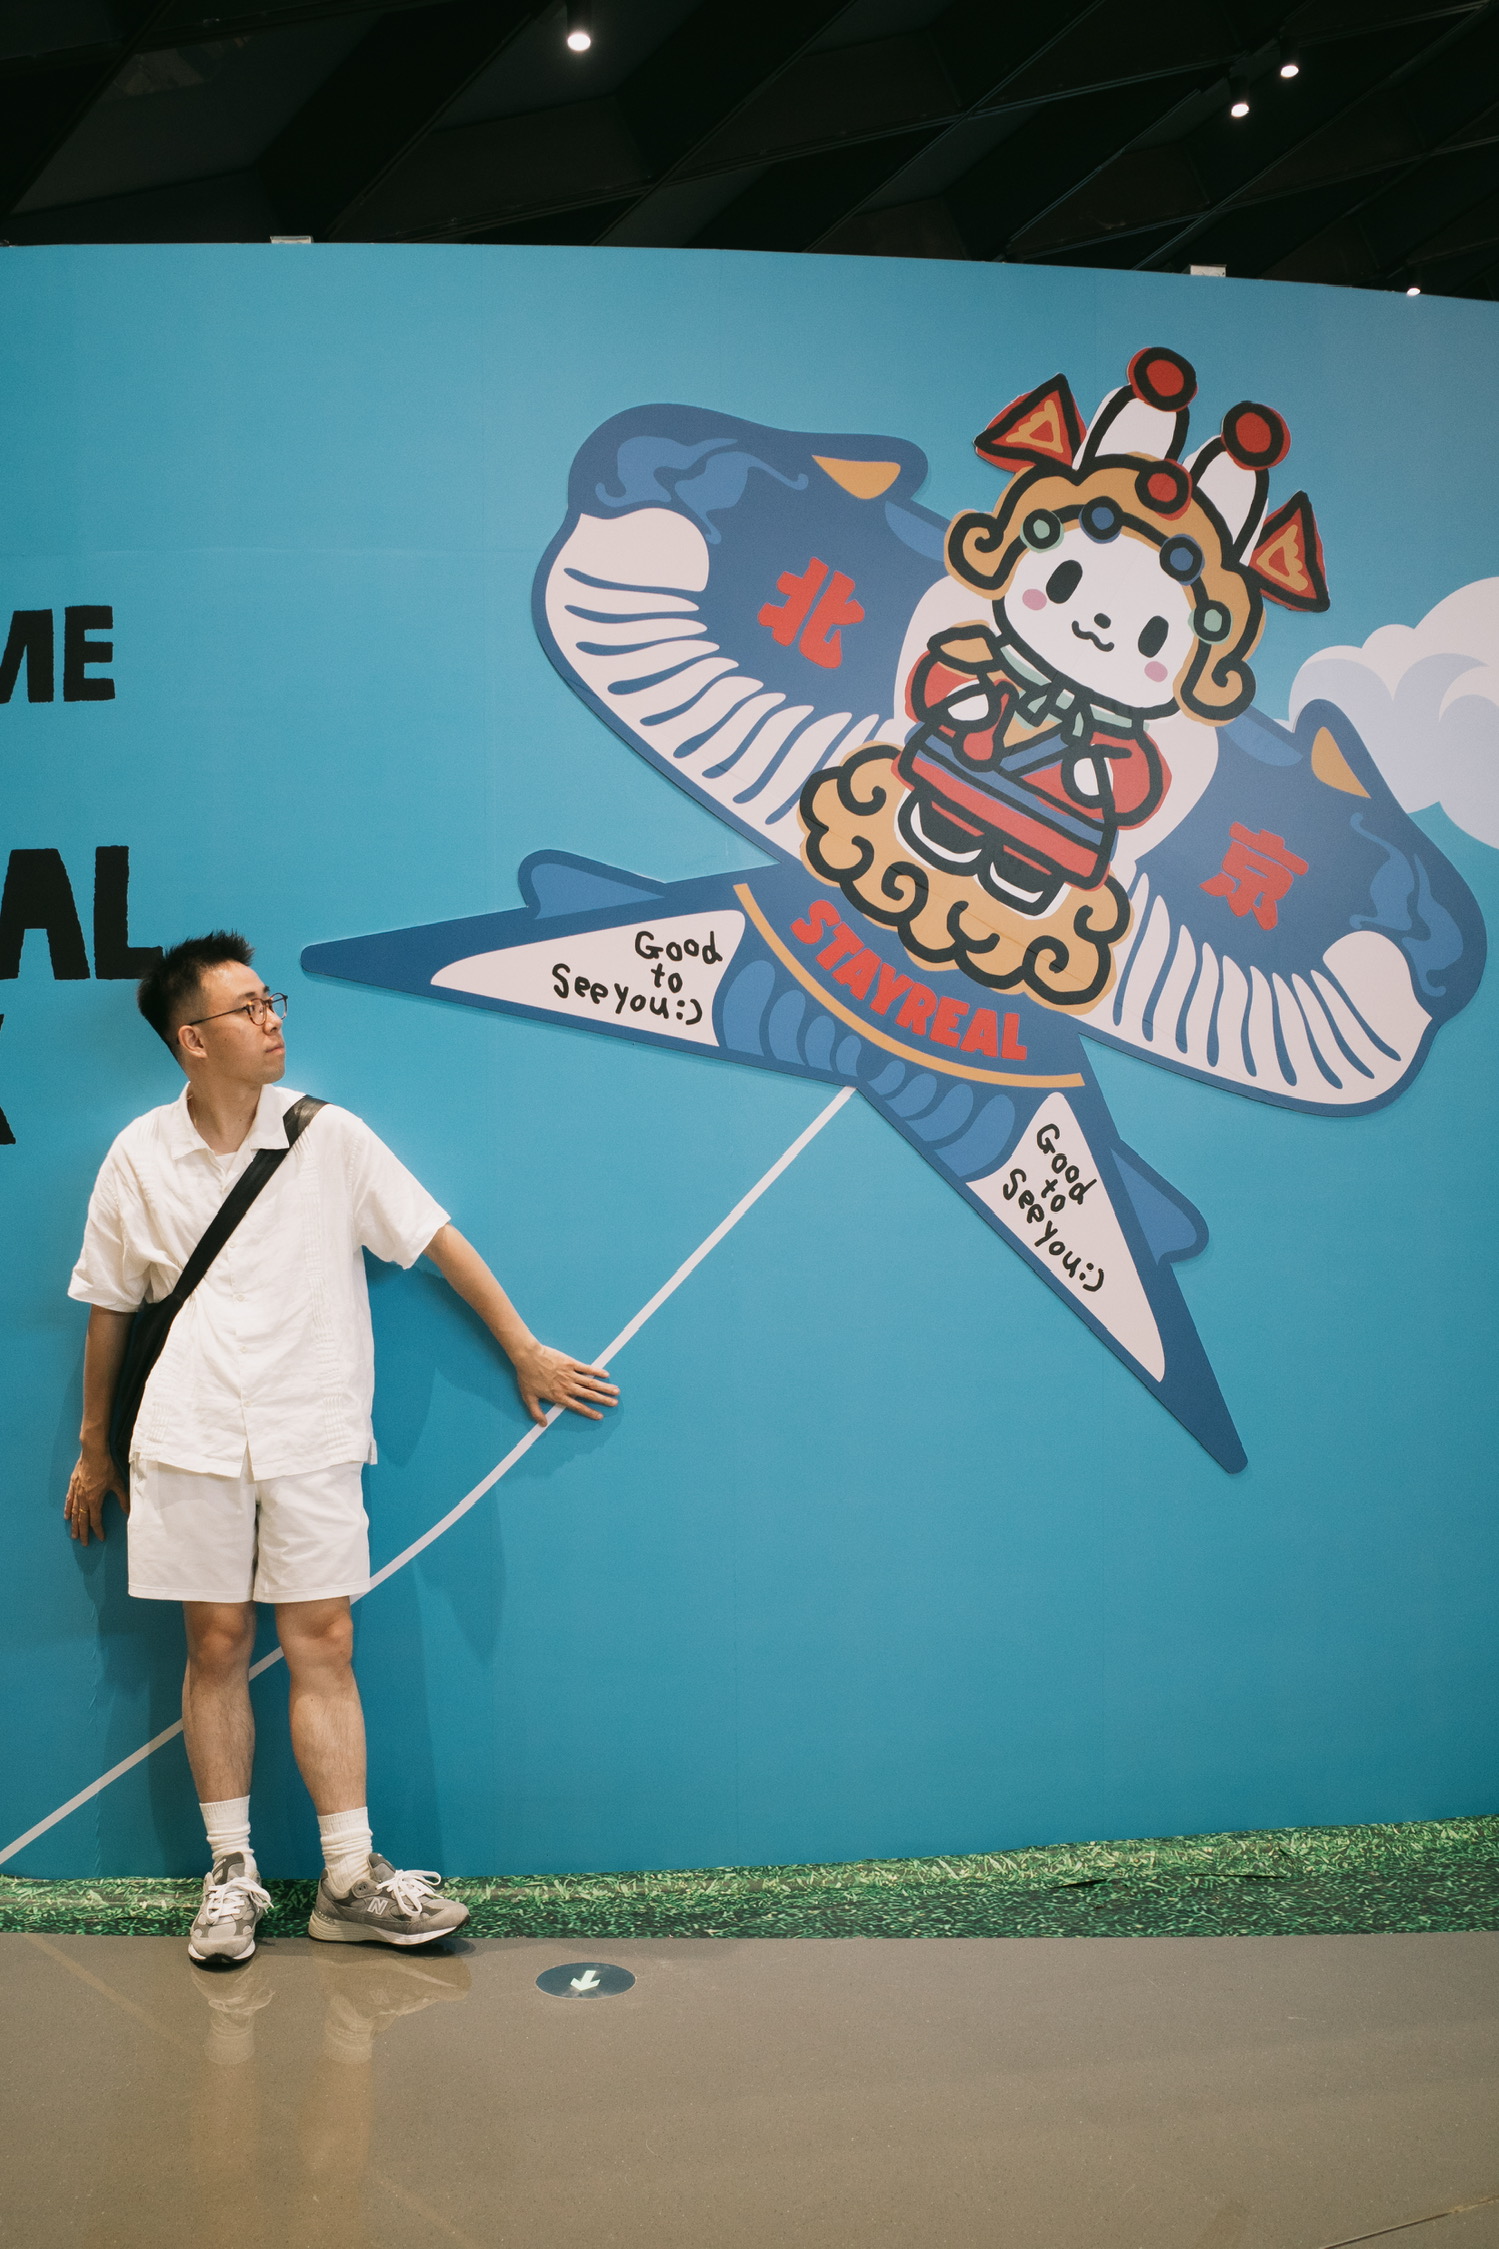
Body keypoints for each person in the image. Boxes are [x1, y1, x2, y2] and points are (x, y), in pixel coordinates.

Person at [64, 932, 618, 1966]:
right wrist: (96, 1447)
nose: (271, 1017)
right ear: (192, 1039)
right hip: (186, 1436)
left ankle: (349, 1878)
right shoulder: (138, 1153)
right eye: (245, 1007)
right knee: (214, 1645)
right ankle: (230, 1873)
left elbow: (435, 1237)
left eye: (269, 999)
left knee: (324, 1642)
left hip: (311, 1430)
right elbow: (109, 1306)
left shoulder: (329, 1135)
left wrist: (524, 1347)